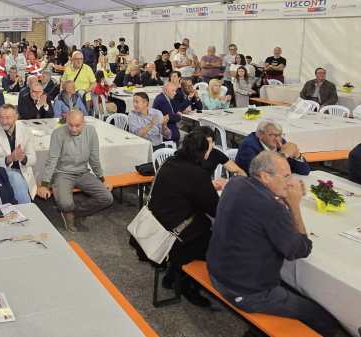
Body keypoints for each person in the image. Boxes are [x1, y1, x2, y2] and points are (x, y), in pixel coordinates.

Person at [208, 151, 339, 337]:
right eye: (285, 176)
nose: (290, 182)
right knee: (324, 318)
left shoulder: (236, 183)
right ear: (265, 176)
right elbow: (300, 249)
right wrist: (294, 205)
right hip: (245, 291)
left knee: (291, 288)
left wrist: (281, 198)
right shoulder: (272, 208)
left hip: (218, 273)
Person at [144, 128, 223, 306]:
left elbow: (183, 191)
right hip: (176, 234)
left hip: (158, 223)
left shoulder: (170, 162)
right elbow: (215, 209)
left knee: (200, 226)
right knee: (217, 242)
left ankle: (172, 276)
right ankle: (188, 285)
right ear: (202, 152)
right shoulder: (197, 174)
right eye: (209, 150)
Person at [36, 110, 112, 231]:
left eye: (77, 126)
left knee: (107, 198)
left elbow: (94, 158)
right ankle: (67, 209)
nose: (73, 129)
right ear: (66, 121)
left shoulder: (91, 131)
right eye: (70, 125)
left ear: (84, 123)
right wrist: (44, 185)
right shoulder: (57, 133)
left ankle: (72, 212)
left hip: (83, 172)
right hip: (62, 173)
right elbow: (52, 160)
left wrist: (102, 179)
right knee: (65, 203)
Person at [0, 105, 35, 203]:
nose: (4, 121)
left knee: (18, 180)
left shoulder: (26, 132)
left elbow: (33, 159)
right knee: (15, 177)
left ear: (16, 117)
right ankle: (27, 207)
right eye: (1, 117)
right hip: (3, 171)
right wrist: (10, 158)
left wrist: (23, 158)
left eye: (7, 118)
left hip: (23, 171)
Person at [234, 120, 310, 176]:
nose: (277, 139)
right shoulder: (248, 146)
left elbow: (305, 171)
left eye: (279, 135)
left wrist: (297, 155)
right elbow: (260, 175)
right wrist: (282, 156)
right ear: (260, 134)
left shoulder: (281, 142)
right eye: (272, 135)